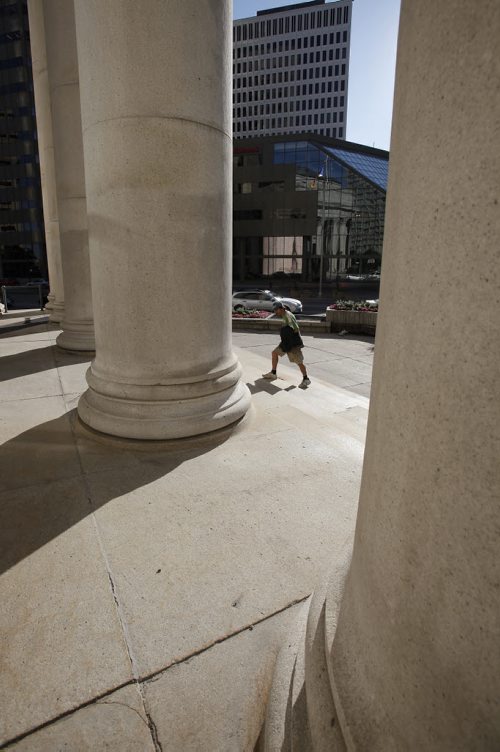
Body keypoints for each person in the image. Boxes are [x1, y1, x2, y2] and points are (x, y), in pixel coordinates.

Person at [262, 302, 311, 388]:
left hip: (293, 344)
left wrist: (291, 342)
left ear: (281, 309)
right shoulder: (284, 315)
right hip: (285, 342)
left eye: (276, 310)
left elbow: (296, 329)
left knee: (299, 362)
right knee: (274, 353)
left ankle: (306, 379)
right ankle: (273, 373)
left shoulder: (289, 316)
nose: (275, 312)